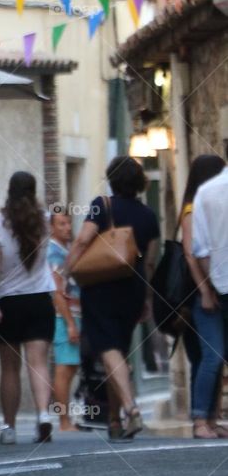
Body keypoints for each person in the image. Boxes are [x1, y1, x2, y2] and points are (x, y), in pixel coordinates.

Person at [63, 156, 160, 441]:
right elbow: (151, 261)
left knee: (107, 349)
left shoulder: (101, 205)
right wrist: (147, 298)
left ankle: (130, 408)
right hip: (133, 289)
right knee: (118, 351)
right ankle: (115, 422)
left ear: (112, 179)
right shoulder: (148, 215)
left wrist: (67, 271)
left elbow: (83, 240)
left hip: (101, 287)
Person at [0, 171, 56, 444]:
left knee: (10, 368)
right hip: (39, 299)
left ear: (9, 190)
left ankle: (10, 427)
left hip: (8, 303)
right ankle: (43, 416)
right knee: (38, 364)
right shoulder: (45, 222)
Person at [180, 154, 226, 439]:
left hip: (217, 287)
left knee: (216, 358)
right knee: (212, 356)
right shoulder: (192, 208)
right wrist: (205, 290)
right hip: (204, 292)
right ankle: (200, 420)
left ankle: (211, 417)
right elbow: (191, 252)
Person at [47, 208, 81, 431]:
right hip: (64, 316)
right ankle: (64, 420)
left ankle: (65, 416)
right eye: (61, 224)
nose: (67, 228)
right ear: (51, 227)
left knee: (70, 367)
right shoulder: (53, 253)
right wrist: (69, 323)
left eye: (68, 223)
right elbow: (57, 292)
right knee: (64, 368)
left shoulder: (66, 249)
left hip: (74, 314)